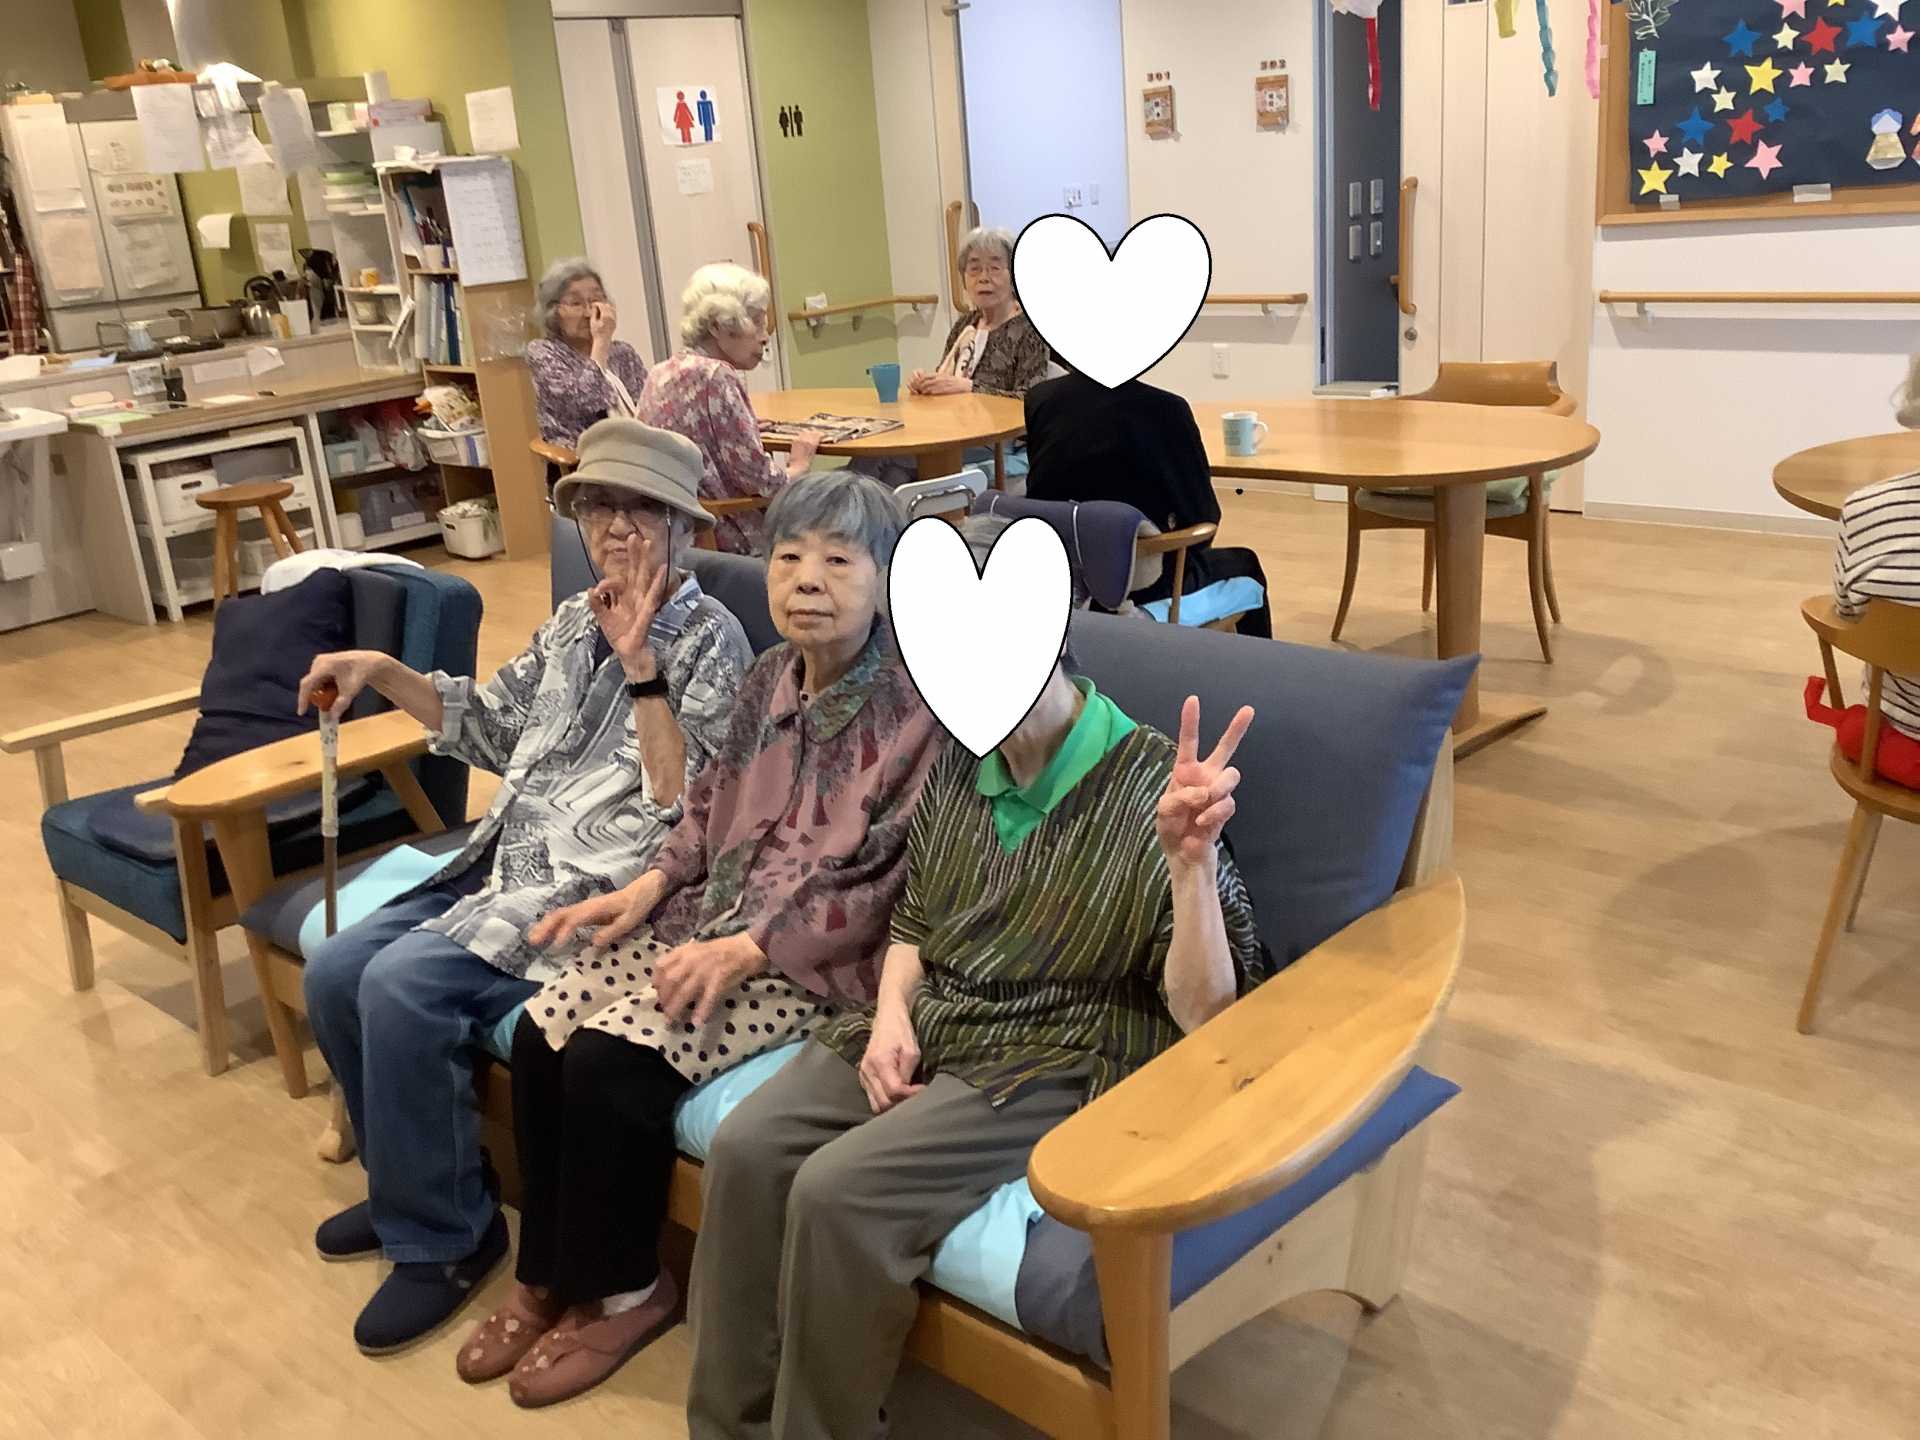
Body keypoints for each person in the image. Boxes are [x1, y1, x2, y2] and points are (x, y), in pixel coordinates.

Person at [684, 517, 1268, 1440]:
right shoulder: (967, 756)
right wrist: (889, 1015)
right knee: (749, 1148)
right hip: (939, 1012)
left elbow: (1209, 1015)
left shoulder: (1151, 785)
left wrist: (1189, 866)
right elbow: (915, 922)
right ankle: (726, 1426)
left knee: (838, 1194)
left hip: (1058, 1048)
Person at [454, 471, 946, 1408]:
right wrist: (645, 888)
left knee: (610, 1060)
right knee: (541, 1032)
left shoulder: (919, 712)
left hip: (811, 963)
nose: (807, 579)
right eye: (789, 556)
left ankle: (628, 1290)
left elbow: (889, 878)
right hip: (711, 916)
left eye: (840, 561)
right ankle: (546, 1274)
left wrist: (747, 949)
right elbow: (706, 804)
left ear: (888, 581)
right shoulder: (769, 677)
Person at [299, 419, 751, 1357]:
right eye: (598, 507)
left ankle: (447, 1240)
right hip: (500, 858)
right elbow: (491, 726)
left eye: (640, 511)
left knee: (400, 986)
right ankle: (407, 1186)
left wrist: (642, 668)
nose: (615, 529)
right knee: (336, 969)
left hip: (593, 892)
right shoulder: (572, 621)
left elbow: (693, 806)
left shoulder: (714, 638)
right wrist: (380, 670)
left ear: (681, 525)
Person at [1023, 359, 1274, 638]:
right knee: (1246, 563)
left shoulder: (1040, 399)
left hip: (1058, 572)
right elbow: (1203, 518)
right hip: (1141, 581)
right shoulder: (1166, 409)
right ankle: (1259, 665)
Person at [638, 262, 822, 555]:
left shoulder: (661, 371)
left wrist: (741, 428)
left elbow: (697, 432)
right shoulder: (717, 376)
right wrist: (798, 465)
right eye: (756, 322)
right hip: (728, 534)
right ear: (716, 327)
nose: (765, 335)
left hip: (676, 532)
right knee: (863, 479)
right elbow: (761, 481)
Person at [527, 258, 649, 450]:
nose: (588, 313)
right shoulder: (543, 352)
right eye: (576, 303)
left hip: (633, 451)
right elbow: (586, 402)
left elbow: (647, 408)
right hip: (584, 457)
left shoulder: (623, 353)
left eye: (596, 300)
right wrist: (601, 342)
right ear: (553, 311)